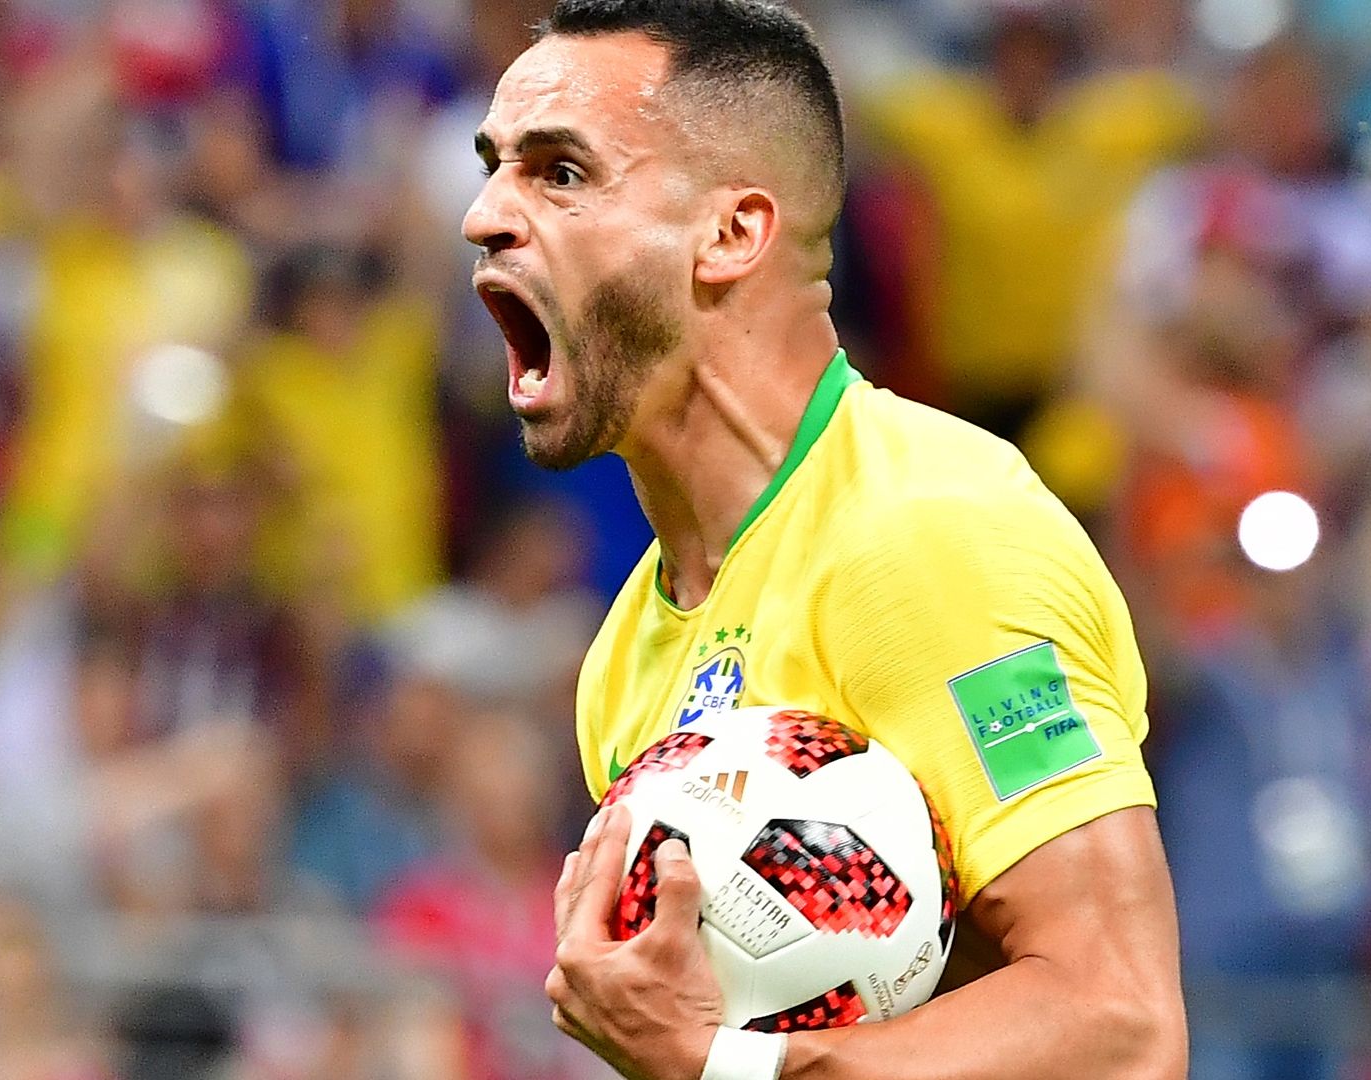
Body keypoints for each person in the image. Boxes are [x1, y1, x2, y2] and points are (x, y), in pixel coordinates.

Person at [461, 2, 1185, 1078]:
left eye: (560, 173)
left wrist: (721, 1065)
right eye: (493, 169)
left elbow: (1122, 1023)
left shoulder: (931, 535)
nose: (483, 217)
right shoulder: (626, 657)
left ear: (732, 234)